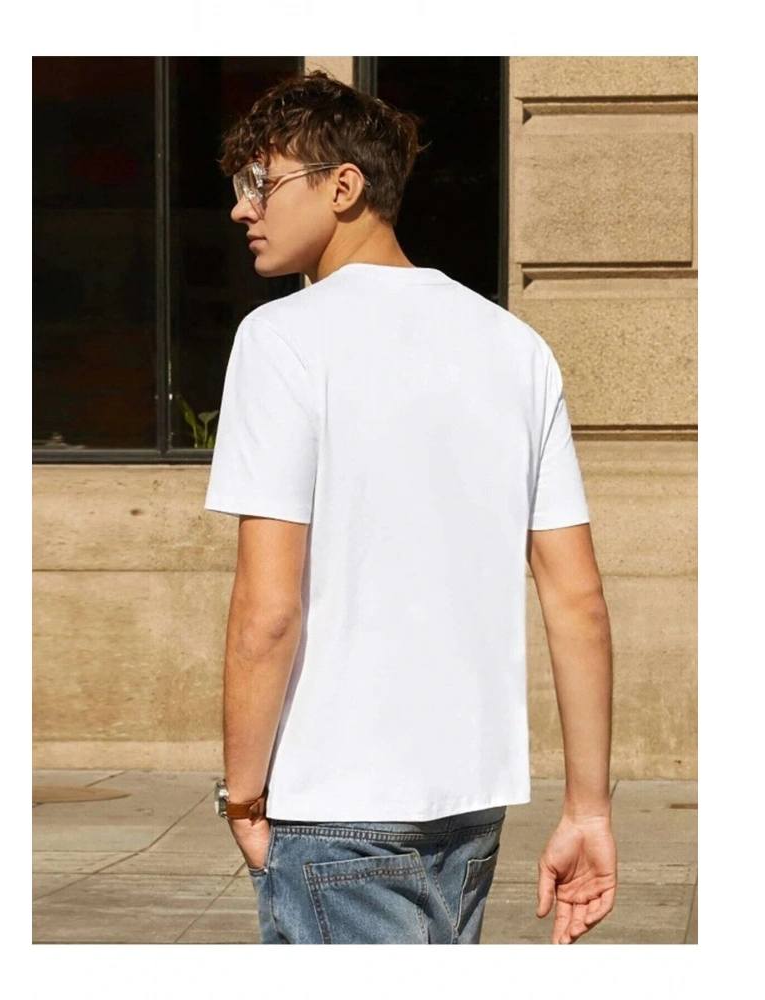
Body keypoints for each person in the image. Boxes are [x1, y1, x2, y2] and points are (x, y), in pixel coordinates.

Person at [204, 69, 617, 945]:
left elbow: (266, 615)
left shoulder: (280, 339)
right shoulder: (516, 347)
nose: (243, 208)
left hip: (333, 803)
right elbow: (576, 597)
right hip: (469, 808)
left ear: (343, 186)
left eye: (261, 182)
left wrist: (241, 796)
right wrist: (589, 808)